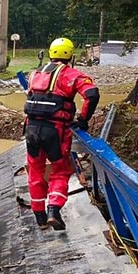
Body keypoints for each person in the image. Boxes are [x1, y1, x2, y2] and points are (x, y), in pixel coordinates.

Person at [24, 37, 100, 230]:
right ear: (70, 56)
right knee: (60, 170)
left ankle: (39, 217)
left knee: (35, 172)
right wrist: (83, 120)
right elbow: (91, 94)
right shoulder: (71, 75)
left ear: (50, 54)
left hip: (31, 130)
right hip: (55, 132)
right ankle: (54, 210)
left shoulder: (34, 75)